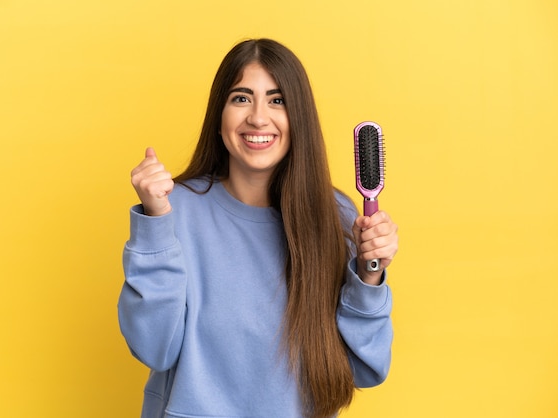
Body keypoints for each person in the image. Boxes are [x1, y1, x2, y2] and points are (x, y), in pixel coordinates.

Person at [118, 38, 399, 418]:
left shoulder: (337, 216)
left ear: (298, 117)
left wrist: (371, 275)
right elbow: (154, 348)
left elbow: (365, 369)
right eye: (241, 98)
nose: (258, 117)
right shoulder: (173, 208)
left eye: (277, 100)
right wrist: (154, 223)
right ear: (219, 117)